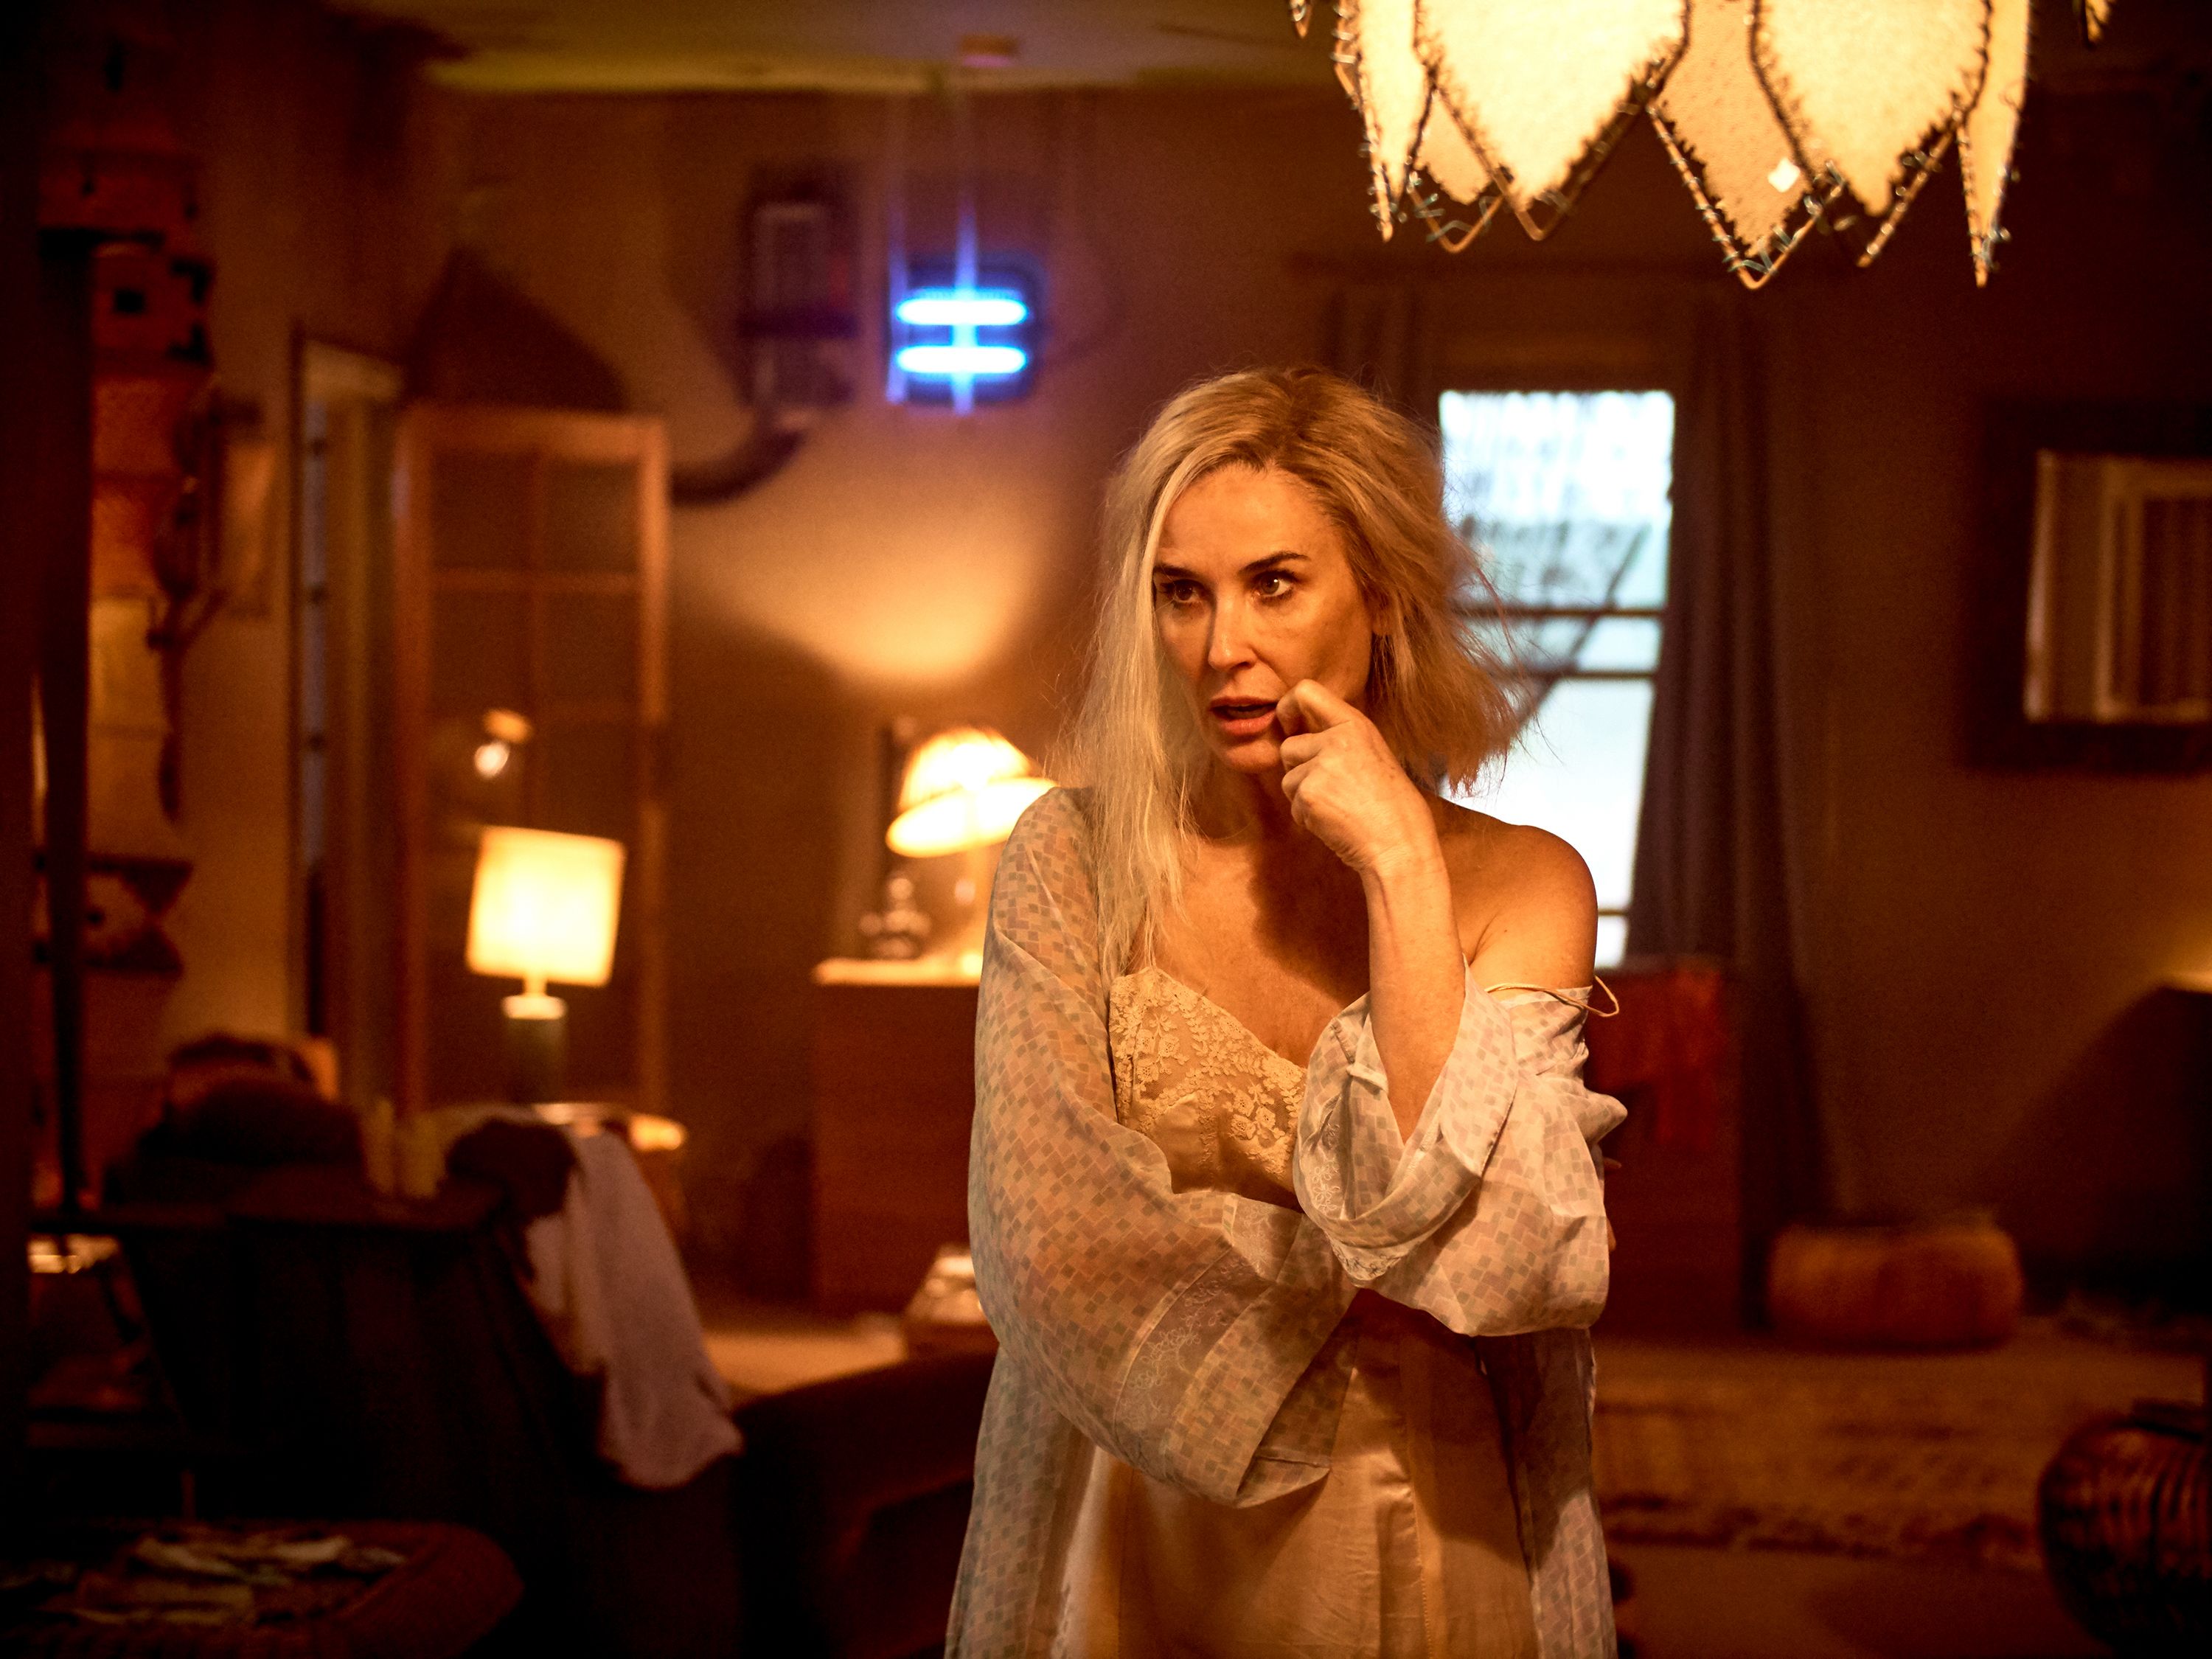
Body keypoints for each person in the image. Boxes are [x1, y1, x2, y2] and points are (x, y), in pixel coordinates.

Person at [948, 367, 1624, 1659]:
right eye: (1181, 592)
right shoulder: (1070, 857)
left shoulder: (1525, 881)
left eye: (1274, 584)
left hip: (1415, 1500)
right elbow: (1044, 1242)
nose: (1222, 647)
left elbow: (1512, 1266)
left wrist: (1402, 866)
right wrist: (1355, 1290)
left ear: (1381, 595)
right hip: (1126, 1503)